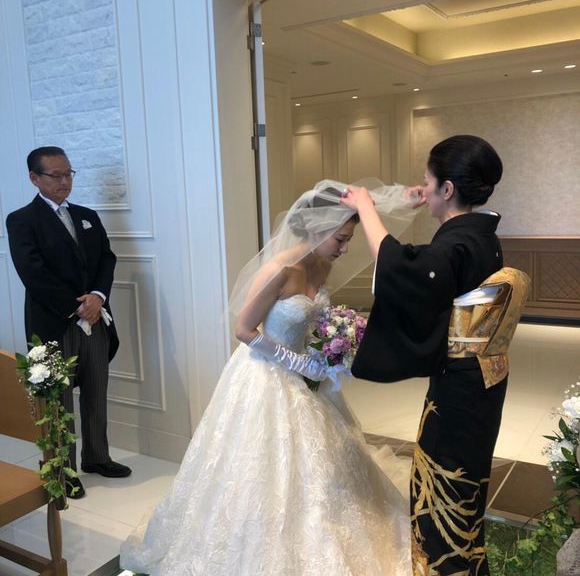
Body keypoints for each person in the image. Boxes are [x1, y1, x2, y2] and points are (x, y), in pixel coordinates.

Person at [120, 181, 416, 575]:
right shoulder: (280, 269)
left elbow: (312, 320)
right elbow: (244, 330)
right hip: (265, 372)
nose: (345, 248)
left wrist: (330, 347)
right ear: (317, 228)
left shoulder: (323, 264)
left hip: (306, 374)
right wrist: (298, 363)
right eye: (341, 239)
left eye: (348, 239)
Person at [341, 135, 530, 575]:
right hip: (484, 381)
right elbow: (426, 273)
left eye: (428, 182)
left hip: (460, 390)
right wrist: (414, 200)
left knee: (445, 485)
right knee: (467, 482)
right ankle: (465, 563)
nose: (422, 188)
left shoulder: (456, 244)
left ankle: (446, 566)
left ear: (448, 188)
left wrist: (366, 208)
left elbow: (404, 271)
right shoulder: (482, 236)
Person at [6, 146, 131, 500]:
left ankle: (97, 457)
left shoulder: (87, 215)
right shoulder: (21, 220)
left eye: (68, 174)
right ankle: (64, 471)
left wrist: (97, 297)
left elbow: (106, 258)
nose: (64, 181)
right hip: (54, 323)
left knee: (95, 390)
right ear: (35, 178)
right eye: (56, 175)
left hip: (96, 319)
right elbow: (33, 273)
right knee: (57, 401)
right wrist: (77, 307)